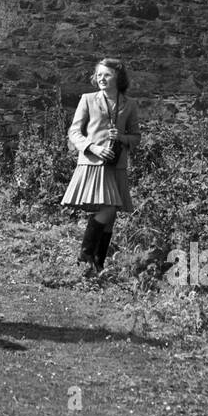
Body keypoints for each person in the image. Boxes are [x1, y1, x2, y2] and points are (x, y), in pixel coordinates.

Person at [62, 58, 141, 274]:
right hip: (93, 162)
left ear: (118, 77)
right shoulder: (87, 99)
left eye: (106, 75)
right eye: (98, 75)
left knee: (111, 214)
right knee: (107, 209)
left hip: (116, 165)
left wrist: (123, 137)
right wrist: (93, 148)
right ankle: (84, 258)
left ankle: (98, 264)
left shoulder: (130, 104)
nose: (101, 79)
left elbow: (136, 137)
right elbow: (74, 132)